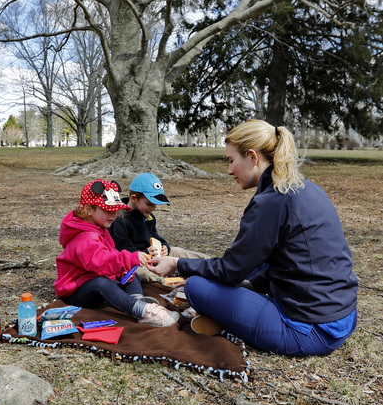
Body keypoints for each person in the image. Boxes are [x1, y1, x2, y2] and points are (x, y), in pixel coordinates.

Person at [146, 119, 358, 356]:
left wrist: (177, 263)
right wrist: (249, 285)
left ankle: (226, 318)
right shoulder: (307, 188)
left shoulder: (271, 202)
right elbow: (287, 261)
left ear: (252, 157)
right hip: (343, 317)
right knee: (251, 269)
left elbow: (230, 270)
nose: (229, 170)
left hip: (309, 331)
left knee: (196, 286)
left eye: (231, 160)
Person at [55, 179, 180, 327]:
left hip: (97, 277)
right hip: (77, 291)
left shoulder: (100, 228)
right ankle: (142, 311)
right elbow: (100, 262)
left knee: (130, 273)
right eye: (108, 210)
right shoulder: (85, 237)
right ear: (89, 209)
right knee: (102, 284)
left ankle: (138, 301)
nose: (113, 215)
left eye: (115, 210)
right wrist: (128, 258)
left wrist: (126, 265)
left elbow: (111, 253)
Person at [109, 172, 209, 282]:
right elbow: (123, 249)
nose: (153, 208)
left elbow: (155, 236)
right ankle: (172, 281)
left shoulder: (148, 216)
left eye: (155, 204)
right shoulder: (120, 219)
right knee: (145, 274)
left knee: (180, 252)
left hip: (154, 255)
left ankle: (210, 264)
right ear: (133, 198)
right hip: (136, 261)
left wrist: (164, 246)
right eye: (149, 204)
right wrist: (146, 253)